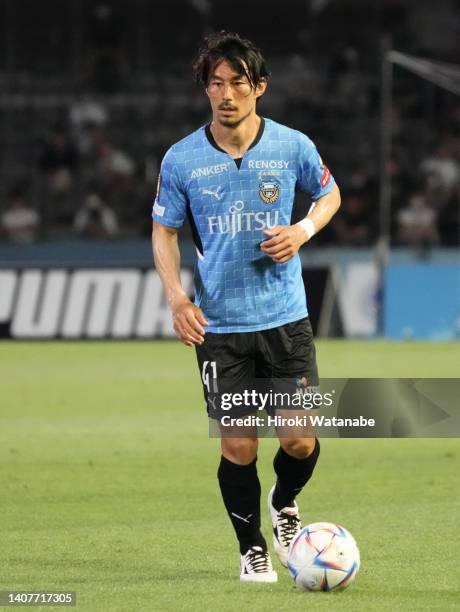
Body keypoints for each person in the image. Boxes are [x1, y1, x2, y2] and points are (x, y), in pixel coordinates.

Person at [151, 32, 341, 583]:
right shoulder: (182, 158)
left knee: (300, 438)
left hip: (285, 318)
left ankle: (285, 501)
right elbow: (163, 232)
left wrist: (302, 229)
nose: (226, 94)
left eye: (237, 82)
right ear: (205, 90)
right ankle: (251, 546)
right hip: (221, 327)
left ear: (259, 86)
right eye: (216, 83)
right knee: (238, 443)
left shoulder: (292, 146)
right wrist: (176, 297)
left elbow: (330, 194)